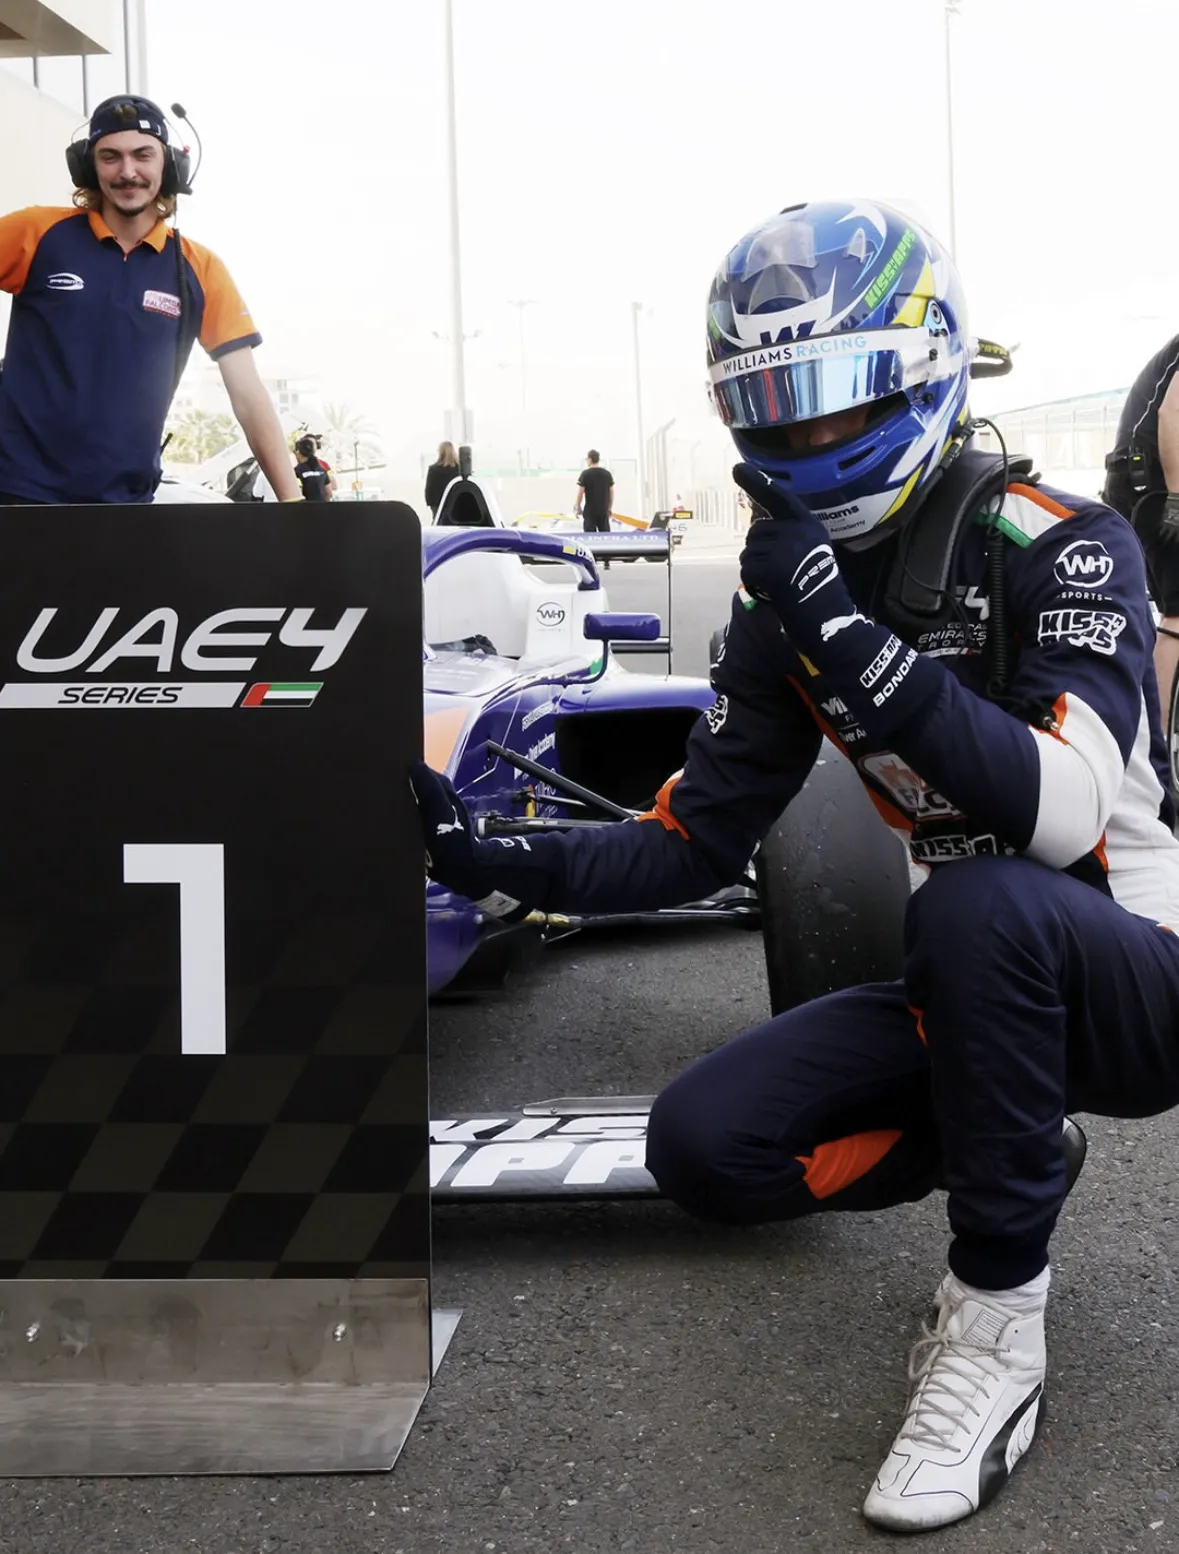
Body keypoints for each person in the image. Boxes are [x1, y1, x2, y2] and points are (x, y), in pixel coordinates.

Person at [411, 200, 1179, 1532]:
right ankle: (1014, 1139)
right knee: (705, 1147)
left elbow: (1060, 815)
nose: (811, 439)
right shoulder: (783, 602)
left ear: (922, 370)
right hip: (972, 989)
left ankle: (996, 1315)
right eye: (778, 408)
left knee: (981, 898)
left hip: (1140, 984)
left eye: (840, 400)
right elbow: (691, 839)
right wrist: (491, 858)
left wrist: (837, 625)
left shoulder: (1059, 538)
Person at [0, 94, 300, 505]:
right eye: (110, 157)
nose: (128, 172)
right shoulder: (35, 232)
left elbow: (248, 396)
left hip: (127, 509)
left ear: (169, 166)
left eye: (143, 155)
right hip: (16, 497)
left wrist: (296, 509)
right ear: (88, 167)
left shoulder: (199, 268)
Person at [1103, 342, 1179, 735]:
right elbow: (1172, 411)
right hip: (1152, 481)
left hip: (1146, 476)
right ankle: (1160, 746)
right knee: (1178, 613)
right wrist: (1177, 499)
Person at [574, 449, 614, 532]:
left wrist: (578, 507)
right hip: (603, 510)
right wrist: (610, 507)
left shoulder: (585, 474)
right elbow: (612, 493)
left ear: (590, 459)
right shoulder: (607, 474)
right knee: (605, 535)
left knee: (589, 536)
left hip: (590, 511)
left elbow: (580, 493)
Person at [294, 434, 336, 501]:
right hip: (321, 506)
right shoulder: (323, 469)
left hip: (306, 506)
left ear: (298, 452)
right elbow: (329, 493)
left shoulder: (297, 471)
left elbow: (298, 494)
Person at [424, 440, 460, 517]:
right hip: (457, 503)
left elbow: (429, 488)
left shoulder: (433, 469)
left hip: (437, 504)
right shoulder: (460, 470)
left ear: (440, 452)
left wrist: (430, 503)